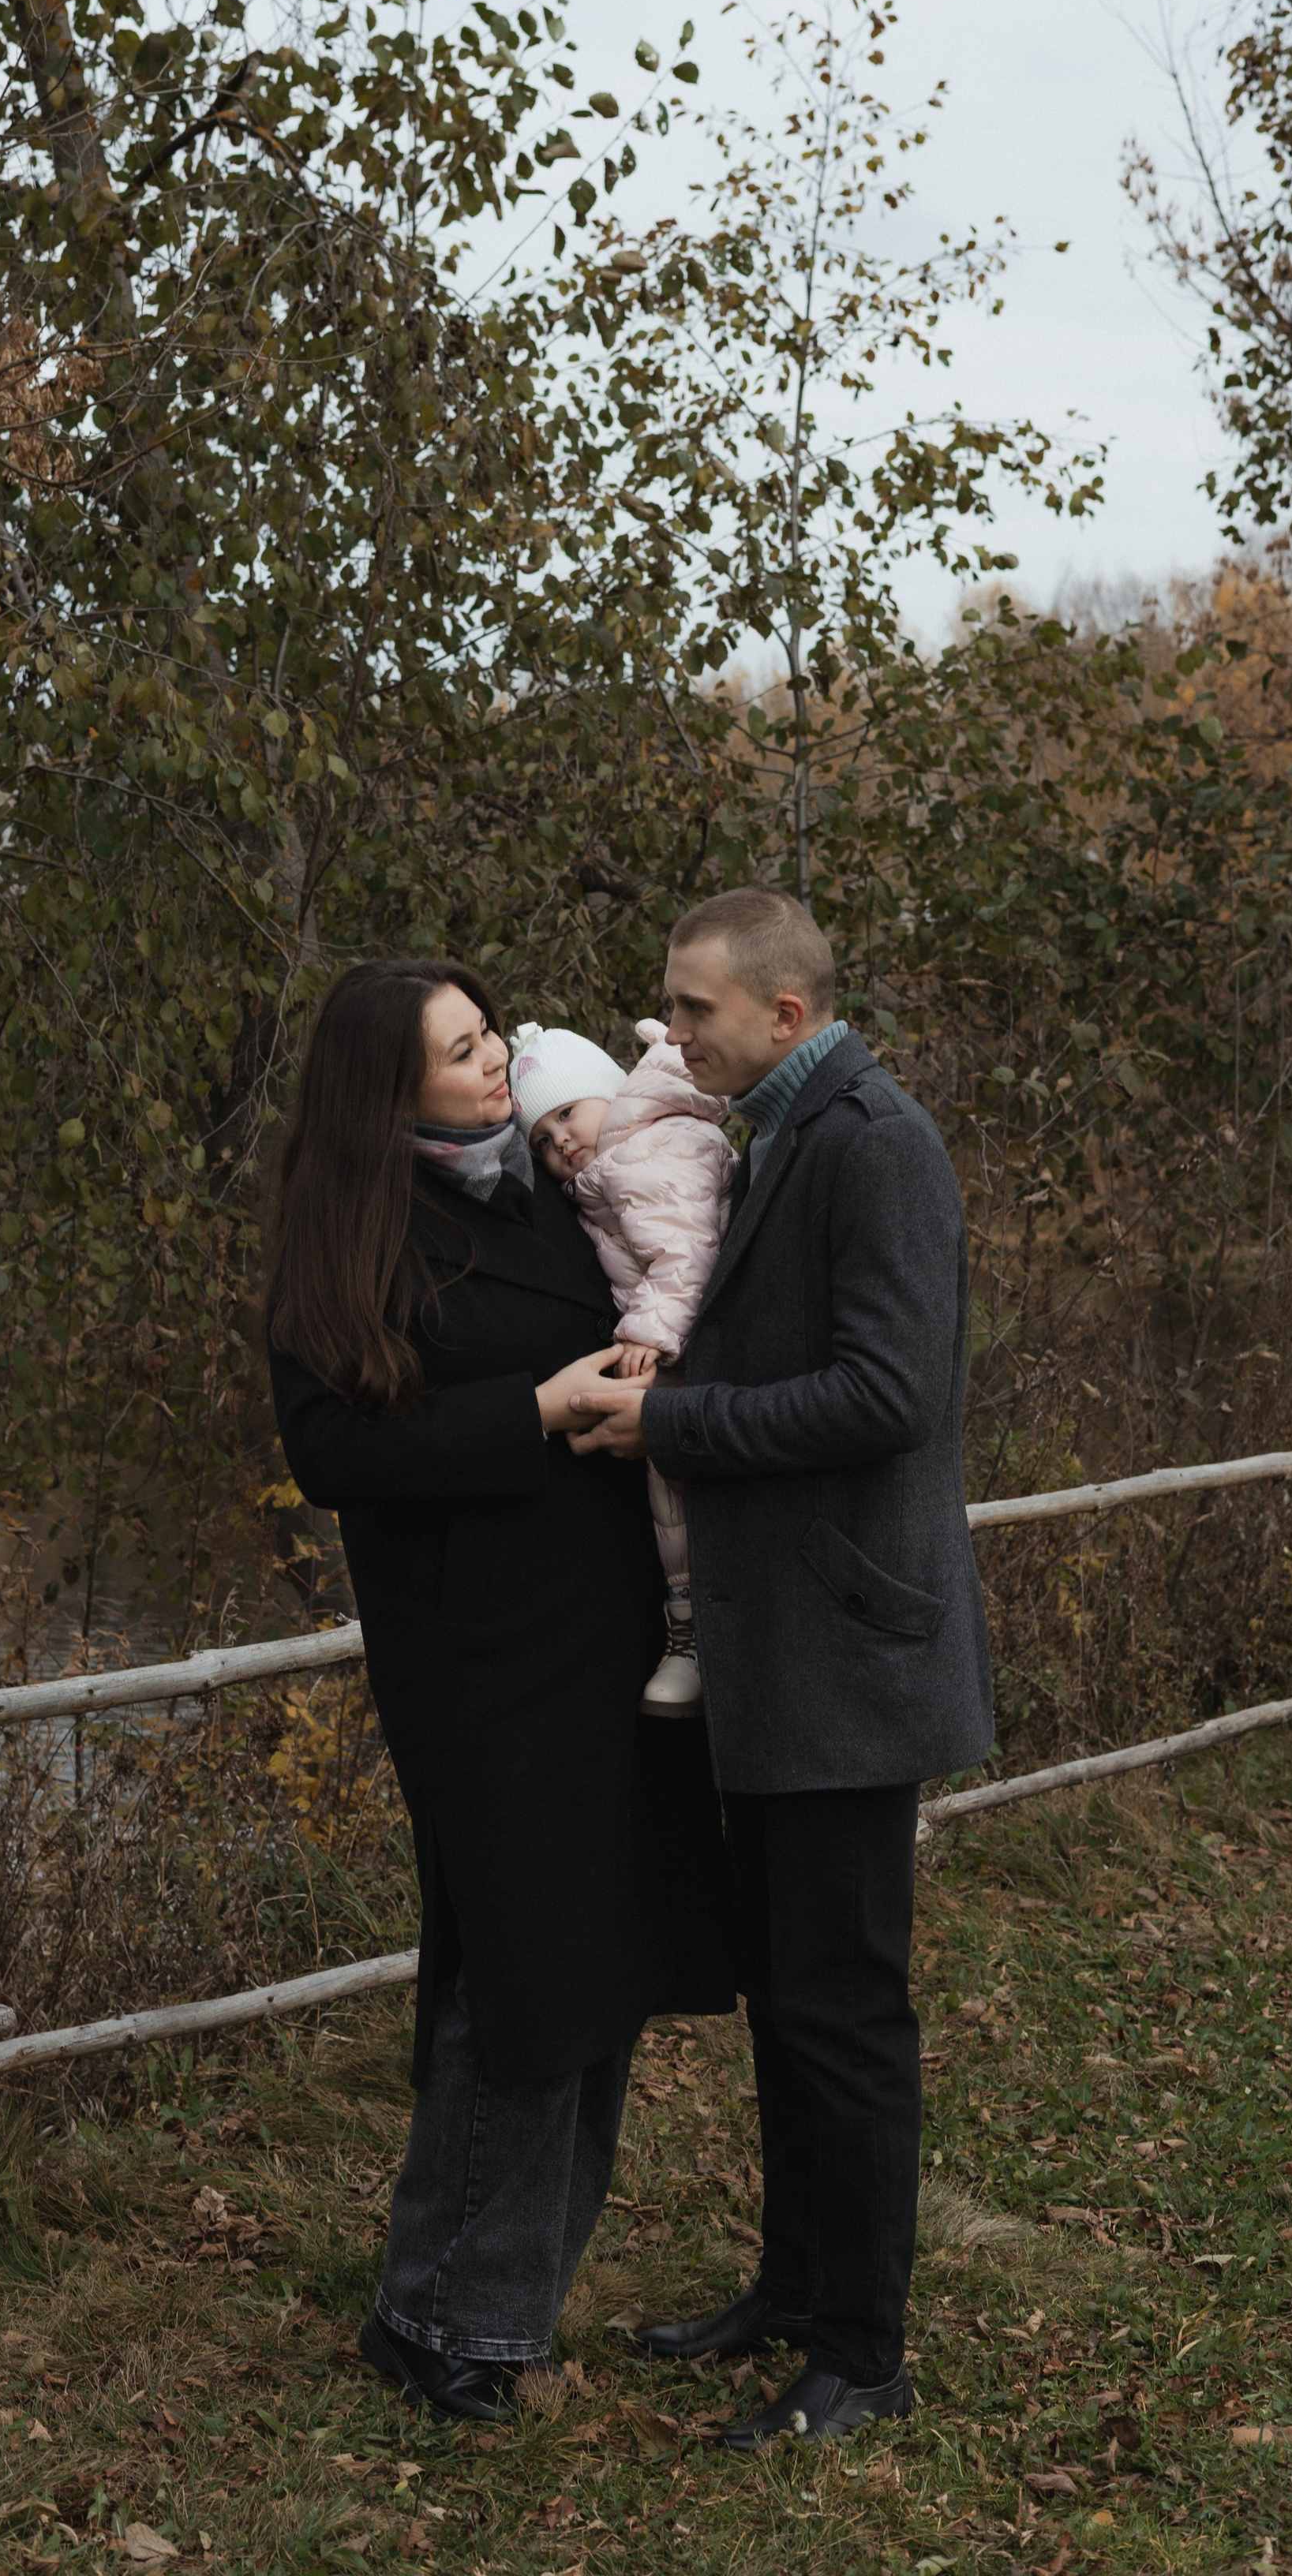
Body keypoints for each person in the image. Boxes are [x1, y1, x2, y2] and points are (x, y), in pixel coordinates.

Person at [264, 959, 733, 2425]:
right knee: (522, 1974)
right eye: (461, 1051)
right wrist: (529, 1411)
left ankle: (497, 2312)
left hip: (610, 1635)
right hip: (481, 1656)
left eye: (489, 1036)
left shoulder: (553, 1176)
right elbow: (334, 1453)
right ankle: (438, 2319)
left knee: (597, 1970)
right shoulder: (352, 1230)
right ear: (385, 1088)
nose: (494, 1063)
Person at [567, 887, 994, 2451]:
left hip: (846, 1655)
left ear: (783, 1015)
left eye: (693, 1009)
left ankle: (862, 2354)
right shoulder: (777, 1130)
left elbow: (887, 1395)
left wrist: (669, 1425)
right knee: (794, 1998)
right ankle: (800, 2291)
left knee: (842, 2009)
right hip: (787, 1650)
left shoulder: (873, 1144)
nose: (672, 1033)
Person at [508, 1018, 736, 1718]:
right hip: (688, 1350)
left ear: (609, 1091)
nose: (559, 1141)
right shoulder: (612, 1167)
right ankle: (695, 1632)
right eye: (541, 1140)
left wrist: (646, 1331)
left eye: (567, 1113)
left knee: (678, 1487)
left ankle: (696, 1636)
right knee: (673, 1492)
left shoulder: (645, 1153)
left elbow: (687, 1252)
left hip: (690, 1347)